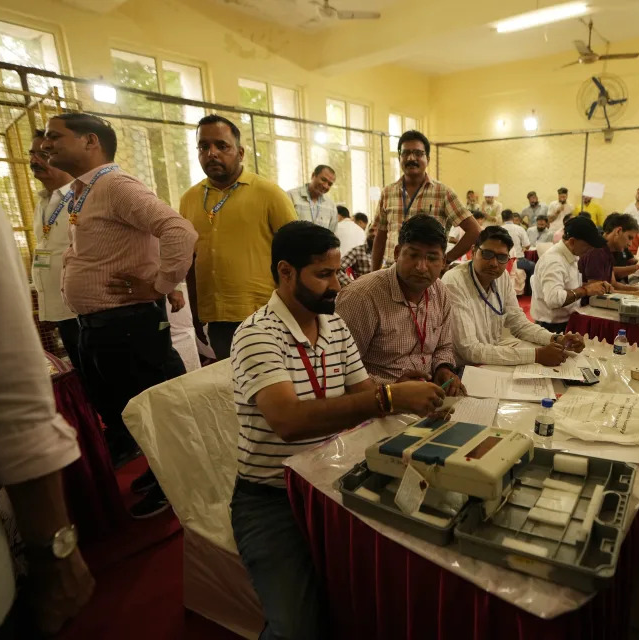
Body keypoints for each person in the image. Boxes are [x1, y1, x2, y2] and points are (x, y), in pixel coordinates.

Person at [229, 221, 446, 640]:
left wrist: (403, 394)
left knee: (392, 585)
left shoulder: (334, 326)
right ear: (286, 272)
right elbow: (288, 422)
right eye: (324, 274)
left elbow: (364, 398)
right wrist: (389, 398)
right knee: (295, 629)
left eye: (338, 272)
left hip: (333, 479)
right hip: (273, 497)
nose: (338, 285)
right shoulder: (257, 335)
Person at [43, 112, 197, 517]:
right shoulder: (83, 191)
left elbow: (179, 231)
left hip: (129, 324)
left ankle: (176, 483)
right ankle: (161, 471)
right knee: (128, 409)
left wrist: (161, 285)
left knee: (152, 408)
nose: (46, 145)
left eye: (55, 136)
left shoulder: (115, 185)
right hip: (104, 324)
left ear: (90, 141)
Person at [0, 161, 95, 639]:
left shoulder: (111, 188)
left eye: (52, 143)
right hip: (68, 305)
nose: (40, 155)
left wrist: (55, 549)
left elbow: (8, 382)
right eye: (36, 147)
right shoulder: (48, 201)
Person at [180, 114, 298, 360]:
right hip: (217, 318)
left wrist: (297, 311)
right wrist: (195, 311)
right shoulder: (189, 199)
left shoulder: (269, 194)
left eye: (222, 146)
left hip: (265, 314)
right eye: (204, 146)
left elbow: (297, 255)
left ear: (240, 152)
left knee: (273, 390)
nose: (211, 153)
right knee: (233, 389)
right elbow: (190, 259)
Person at [338, 215, 465, 392]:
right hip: (377, 403)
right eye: (413, 255)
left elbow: (444, 346)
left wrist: (443, 368)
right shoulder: (362, 296)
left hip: (427, 396)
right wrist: (391, 389)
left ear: (443, 262)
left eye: (432, 258)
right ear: (397, 253)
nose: (421, 267)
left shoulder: (440, 291)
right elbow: (341, 368)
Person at [443, 226, 586, 366]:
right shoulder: (454, 282)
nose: (494, 263)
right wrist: (537, 355)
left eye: (502, 257)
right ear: (473, 252)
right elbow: (469, 350)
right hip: (462, 368)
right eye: (487, 254)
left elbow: (519, 323)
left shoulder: (501, 276)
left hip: (491, 359)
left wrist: (556, 338)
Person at [371, 130, 480, 270]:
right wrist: (373, 273)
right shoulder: (387, 192)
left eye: (418, 153)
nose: (411, 158)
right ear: (399, 158)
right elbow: (380, 237)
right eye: (405, 153)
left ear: (427, 159)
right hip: (391, 272)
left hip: (425, 273)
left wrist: (446, 260)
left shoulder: (443, 193)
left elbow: (474, 230)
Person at [29, 130, 79, 368]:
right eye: (31, 153)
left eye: (43, 154)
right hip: (59, 309)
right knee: (80, 372)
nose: (34, 160)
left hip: (80, 310)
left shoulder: (78, 197)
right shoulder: (43, 201)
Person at [530, 216, 612, 333]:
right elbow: (554, 299)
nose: (591, 249)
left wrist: (594, 286)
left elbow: (567, 286)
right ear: (572, 241)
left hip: (564, 323)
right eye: (588, 246)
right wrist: (585, 290)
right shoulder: (553, 261)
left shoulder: (570, 255)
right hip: (551, 328)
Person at [579, 213, 639, 299]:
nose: (630, 244)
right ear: (618, 231)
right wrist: (638, 294)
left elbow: (614, 284)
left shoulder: (607, 252)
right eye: (629, 238)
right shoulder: (597, 251)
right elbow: (598, 292)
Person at [288, 165, 337, 231]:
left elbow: (332, 234)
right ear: (313, 175)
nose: (325, 186)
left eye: (329, 184)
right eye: (323, 180)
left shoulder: (331, 206)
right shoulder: (291, 196)